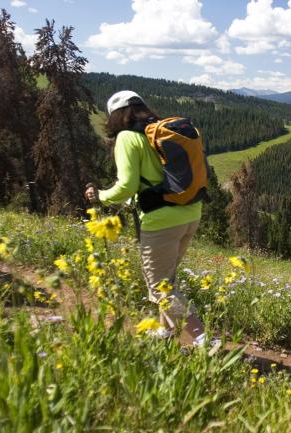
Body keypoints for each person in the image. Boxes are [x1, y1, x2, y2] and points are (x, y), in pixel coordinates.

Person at [84, 90, 208, 346]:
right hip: (191, 213)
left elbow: (127, 187)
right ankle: (167, 331)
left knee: (159, 287)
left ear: (115, 116)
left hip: (161, 221)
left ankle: (205, 340)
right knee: (168, 280)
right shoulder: (161, 133)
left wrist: (100, 196)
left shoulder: (128, 138)